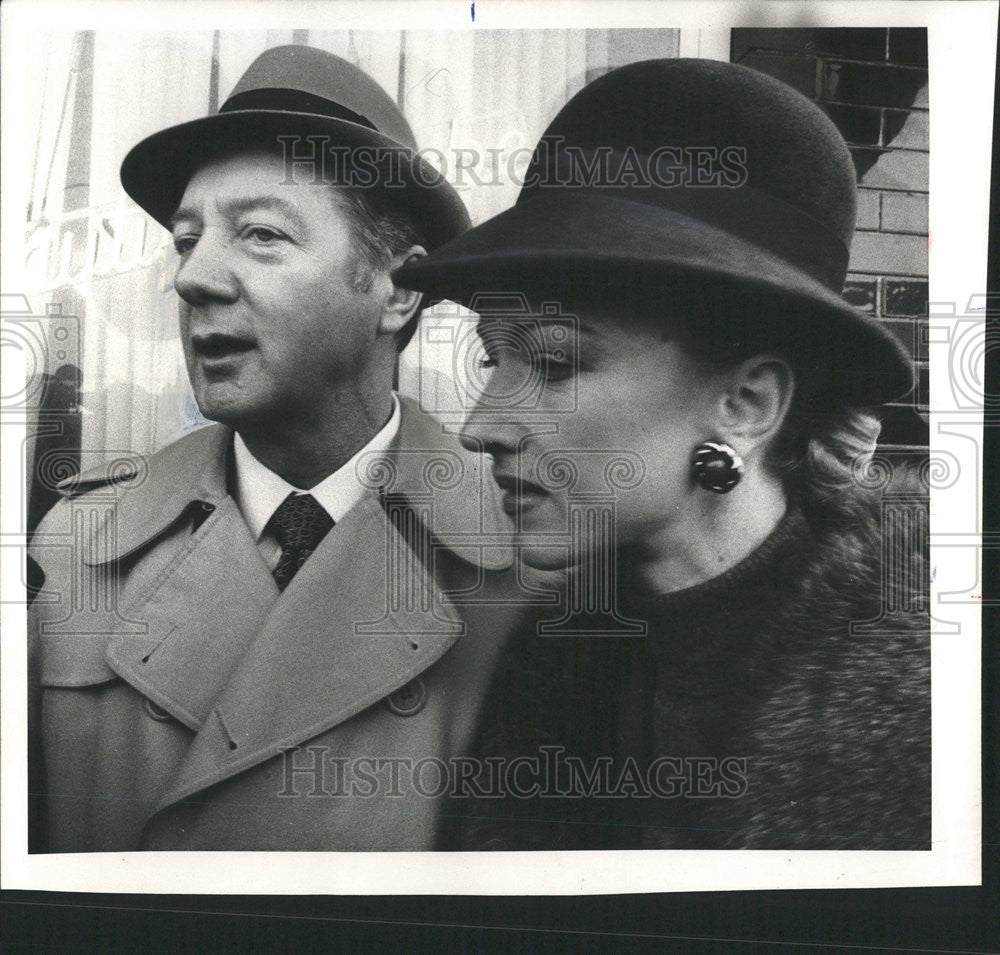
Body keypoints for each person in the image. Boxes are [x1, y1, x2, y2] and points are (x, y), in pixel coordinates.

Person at [394, 58, 931, 850]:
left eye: (554, 363)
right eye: (491, 361)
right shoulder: (541, 668)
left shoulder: (937, 708)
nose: (480, 426)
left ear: (746, 406)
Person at [27, 45, 523, 852]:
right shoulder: (76, 550)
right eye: (186, 241)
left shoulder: (524, 555)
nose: (193, 278)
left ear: (398, 290)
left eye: (259, 234)